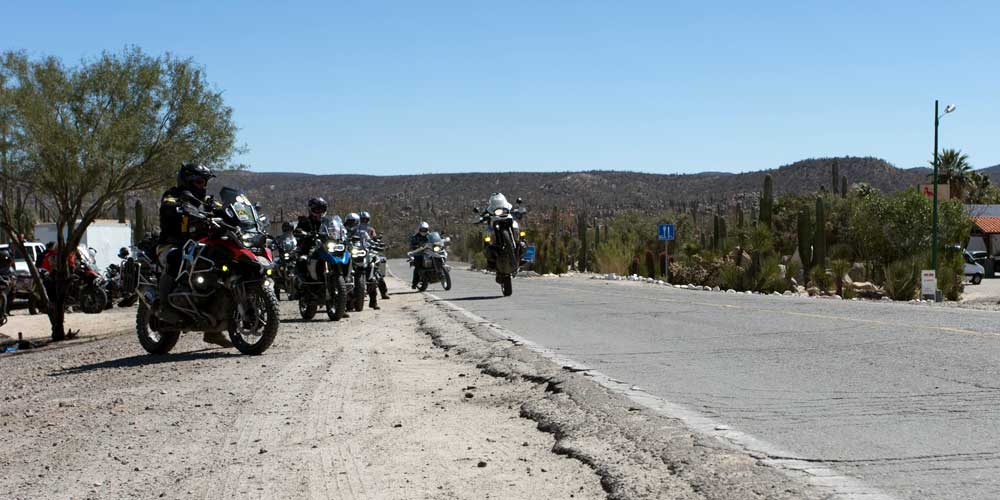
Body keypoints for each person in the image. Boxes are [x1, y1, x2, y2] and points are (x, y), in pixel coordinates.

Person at [157, 162, 229, 347]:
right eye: (198, 181)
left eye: (204, 182)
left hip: (199, 245)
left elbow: (223, 209)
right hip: (172, 244)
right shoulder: (173, 195)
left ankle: (214, 328)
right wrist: (179, 207)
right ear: (186, 180)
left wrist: (230, 213)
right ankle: (164, 306)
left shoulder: (206, 200)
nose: (202, 186)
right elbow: (168, 206)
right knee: (175, 258)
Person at [360, 211, 389, 300]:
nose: (364, 221)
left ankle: (384, 293)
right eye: (363, 219)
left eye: (366, 219)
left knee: (376, 272)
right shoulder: (354, 229)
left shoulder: (370, 230)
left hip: (369, 251)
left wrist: (377, 241)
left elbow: (374, 239)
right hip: (358, 251)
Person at [409, 222, 431, 289]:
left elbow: (435, 240)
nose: (424, 231)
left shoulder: (430, 235)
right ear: (419, 229)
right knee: (417, 267)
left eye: (425, 229)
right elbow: (411, 245)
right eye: (422, 229)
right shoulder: (415, 237)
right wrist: (414, 246)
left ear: (427, 229)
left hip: (429, 252)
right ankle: (414, 283)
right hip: (419, 253)